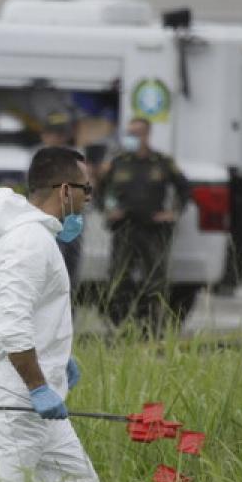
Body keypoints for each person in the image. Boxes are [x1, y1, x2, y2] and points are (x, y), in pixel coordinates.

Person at [0, 146, 99, 482]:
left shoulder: (23, 237)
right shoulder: (29, 242)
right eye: (86, 190)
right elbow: (10, 323)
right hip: (17, 394)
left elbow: (26, 314)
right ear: (64, 191)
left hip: (32, 388)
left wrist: (56, 359)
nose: (88, 199)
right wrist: (38, 385)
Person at [97, 117, 191, 333]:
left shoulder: (162, 162)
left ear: (147, 135)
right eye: (129, 133)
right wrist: (108, 210)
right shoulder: (118, 161)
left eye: (137, 133)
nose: (132, 138)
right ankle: (118, 326)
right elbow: (100, 189)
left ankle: (151, 328)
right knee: (119, 279)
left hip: (154, 230)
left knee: (154, 281)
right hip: (125, 227)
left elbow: (184, 189)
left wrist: (173, 213)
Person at [36, 111, 83, 289]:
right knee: (49, 272)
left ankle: (68, 313)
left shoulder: (76, 158)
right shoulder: (38, 159)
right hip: (47, 221)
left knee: (69, 273)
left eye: (62, 134)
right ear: (45, 135)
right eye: (55, 134)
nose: (60, 138)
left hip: (71, 220)